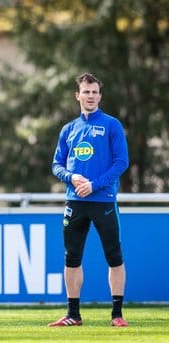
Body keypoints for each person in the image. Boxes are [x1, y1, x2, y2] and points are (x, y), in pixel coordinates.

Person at [49, 72, 129, 327]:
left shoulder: (111, 125)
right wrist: (71, 178)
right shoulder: (68, 130)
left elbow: (121, 162)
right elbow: (56, 164)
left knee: (114, 255)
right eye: (86, 91)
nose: (91, 96)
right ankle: (73, 314)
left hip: (103, 201)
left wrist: (95, 184)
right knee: (71, 258)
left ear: (100, 96)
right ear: (78, 96)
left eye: (95, 92)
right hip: (75, 202)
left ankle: (117, 314)